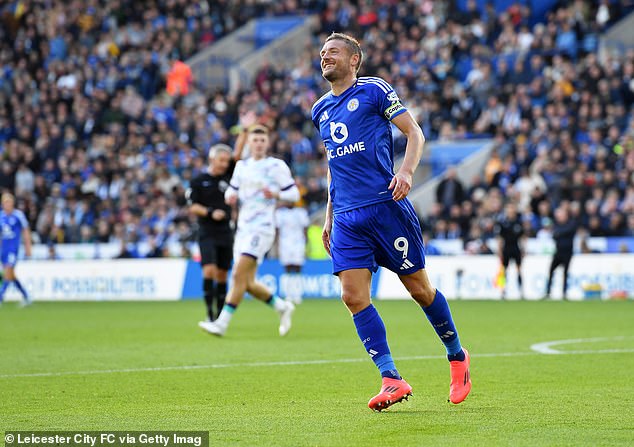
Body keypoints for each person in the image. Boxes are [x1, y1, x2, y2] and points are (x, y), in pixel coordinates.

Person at [312, 33, 471, 412]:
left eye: (333, 52)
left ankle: (457, 357)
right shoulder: (319, 109)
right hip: (348, 217)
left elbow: (414, 132)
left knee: (419, 290)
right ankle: (391, 378)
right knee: (352, 297)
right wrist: (329, 215)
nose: (325, 57)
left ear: (354, 60)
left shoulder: (374, 90)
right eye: (322, 53)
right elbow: (335, 167)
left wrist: (408, 172)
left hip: (386, 206)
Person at [199, 125, 299, 337]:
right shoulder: (242, 167)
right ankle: (282, 307)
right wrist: (230, 198)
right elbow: (231, 192)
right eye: (255, 140)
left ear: (267, 143)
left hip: (262, 228)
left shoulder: (276, 166)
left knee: (237, 274)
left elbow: (294, 195)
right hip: (243, 229)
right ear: (250, 143)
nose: (259, 144)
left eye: (262, 140)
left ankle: (221, 323)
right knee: (248, 283)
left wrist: (276, 194)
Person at [188, 143, 241, 322]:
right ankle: (209, 312)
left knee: (222, 274)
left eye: (227, 161)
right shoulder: (198, 181)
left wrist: (244, 130)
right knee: (209, 271)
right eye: (221, 160)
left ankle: (219, 314)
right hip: (207, 230)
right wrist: (211, 212)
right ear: (212, 159)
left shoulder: (229, 177)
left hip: (226, 231)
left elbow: (238, 155)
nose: (225, 164)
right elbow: (193, 206)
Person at [0, 193, 32, 305]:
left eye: (9, 202)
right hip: (4, 249)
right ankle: (26, 296)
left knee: (8, 271)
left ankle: (1, 296)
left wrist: (28, 248)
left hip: (13, 249)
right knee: (10, 275)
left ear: (13, 203)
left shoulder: (18, 215)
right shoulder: (1, 216)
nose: (7, 204)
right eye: (5, 202)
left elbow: (26, 231)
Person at [275, 201, 310, 304]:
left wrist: (306, 242)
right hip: (285, 243)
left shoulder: (301, 212)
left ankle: (297, 294)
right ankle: (288, 294)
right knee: (287, 268)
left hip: (298, 243)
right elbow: (277, 229)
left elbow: (305, 228)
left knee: (298, 268)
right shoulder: (280, 213)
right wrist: (276, 244)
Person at [544, 206, 578, 300]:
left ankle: (564, 293)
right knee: (551, 270)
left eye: (560, 215)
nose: (559, 217)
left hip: (567, 252)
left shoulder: (571, 223)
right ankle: (548, 292)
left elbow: (560, 233)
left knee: (565, 273)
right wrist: (558, 233)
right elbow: (555, 235)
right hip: (558, 252)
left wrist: (558, 233)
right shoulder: (558, 225)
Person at [494, 202, 525, 299]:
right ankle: (503, 291)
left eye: (512, 208)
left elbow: (523, 237)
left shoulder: (518, 222)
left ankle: (521, 291)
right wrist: (499, 250)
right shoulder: (503, 222)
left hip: (516, 248)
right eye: (508, 208)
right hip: (506, 248)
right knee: (504, 271)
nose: (510, 211)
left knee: (519, 270)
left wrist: (524, 249)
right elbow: (500, 238)